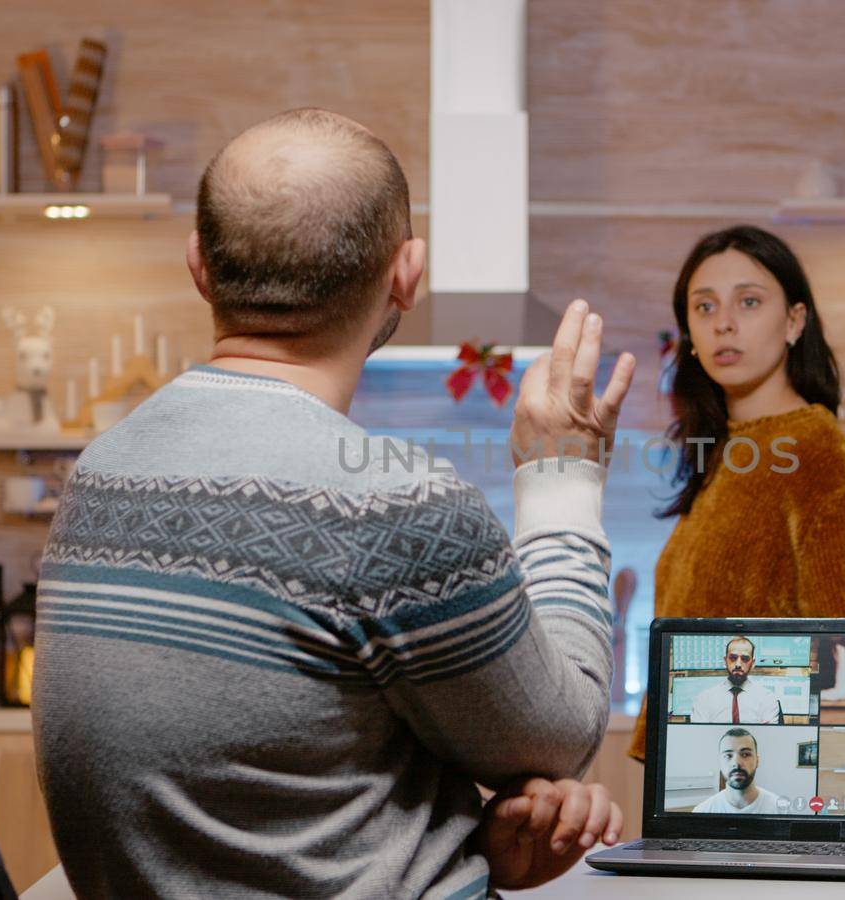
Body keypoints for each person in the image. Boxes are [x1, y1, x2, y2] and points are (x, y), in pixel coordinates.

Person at [32, 108, 639, 898]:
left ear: (199, 267)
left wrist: (468, 847)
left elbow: (252, 802)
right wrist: (564, 478)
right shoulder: (390, 505)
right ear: (407, 275)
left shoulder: (99, 471)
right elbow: (559, 735)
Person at [630, 225, 845, 760]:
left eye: (748, 301)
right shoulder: (724, 452)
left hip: (772, 774)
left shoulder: (814, 446)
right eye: (704, 307)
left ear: (794, 321)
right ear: (690, 335)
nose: (724, 323)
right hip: (698, 764)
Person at [689, 636, 783, 724]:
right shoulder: (704, 699)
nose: (738, 664)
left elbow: (769, 737)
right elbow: (699, 736)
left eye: (745, 658)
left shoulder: (767, 699)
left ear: (753, 663)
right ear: (725, 660)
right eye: (733, 658)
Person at [690, 729, 782, 814]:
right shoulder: (702, 812)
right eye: (728, 756)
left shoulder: (781, 810)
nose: (736, 763)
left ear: (757, 761)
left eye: (745, 754)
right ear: (720, 763)